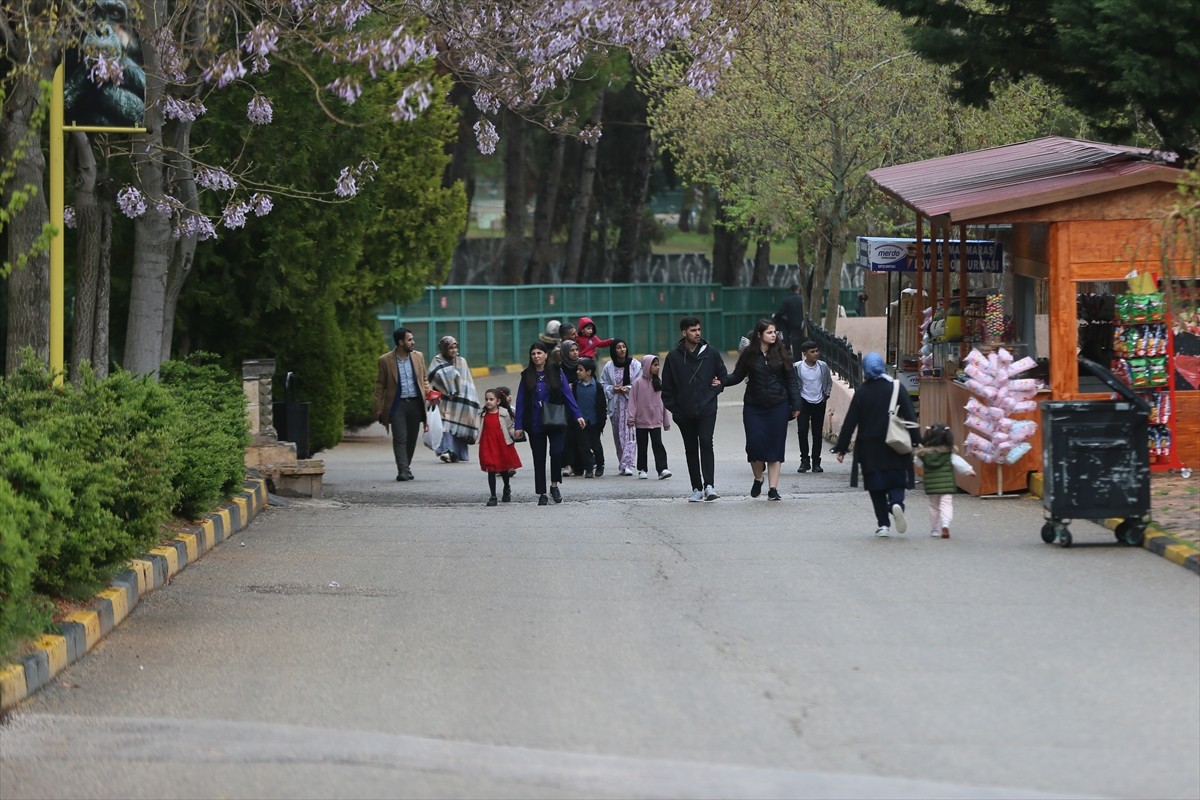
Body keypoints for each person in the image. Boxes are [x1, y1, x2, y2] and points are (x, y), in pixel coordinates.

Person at [832, 352, 920, 537]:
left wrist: (841, 448)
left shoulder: (863, 392)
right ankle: (896, 503)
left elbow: (850, 421)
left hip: (870, 448)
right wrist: (916, 441)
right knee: (897, 480)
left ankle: (883, 525)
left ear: (865, 371)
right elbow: (910, 417)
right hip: (895, 445)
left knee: (876, 487)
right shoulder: (896, 387)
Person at [722, 319, 802, 500]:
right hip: (754, 406)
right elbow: (737, 376)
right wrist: (721, 381)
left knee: (775, 447)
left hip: (778, 405)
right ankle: (758, 478)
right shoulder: (749, 354)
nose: (773, 335)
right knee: (754, 446)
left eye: (774, 332)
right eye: (769, 332)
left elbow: (791, 380)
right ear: (759, 335)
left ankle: (773, 489)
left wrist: (796, 404)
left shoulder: (783, 353)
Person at [661, 315, 727, 502]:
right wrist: (676, 411)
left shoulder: (711, 352)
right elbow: (667, 389)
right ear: (684, 333)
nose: (697, 333)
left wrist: (718, 387)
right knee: (690, 448)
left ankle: (709, 486)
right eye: (693, 330)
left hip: (707, 409)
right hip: (684, 413)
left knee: (706, 442)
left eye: (699, 329)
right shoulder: (674, 357)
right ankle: (696, 488)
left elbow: (723, 376)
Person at [513, 342, 585, 505]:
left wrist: (577, 415)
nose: (536, 356)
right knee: (539, 458)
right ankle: (542, 493)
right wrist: (518, 426)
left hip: (555, 419)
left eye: (539, 353)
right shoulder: (527, 375)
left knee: (557, 452)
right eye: (533, 354)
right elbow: (521, 401)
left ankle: (554, 485)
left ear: (546, 355)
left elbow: (567, 394)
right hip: (535, 422)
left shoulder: (556, 371)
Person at [373, 327, 430, 482]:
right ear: (400, 342)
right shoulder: (385, 360)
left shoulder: (418, 357)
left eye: (412, 339)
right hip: (396, 405)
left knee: (411, 439)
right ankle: (403, 471)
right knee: (400, 438)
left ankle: (406, 466)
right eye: (409, 339)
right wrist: (378, 408)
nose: (413, 342)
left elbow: (424, 379)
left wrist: (429, 392)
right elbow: (380, 385)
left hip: (415, 404)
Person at [915, 423, 976, 538]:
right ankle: (946, 525)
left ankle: (934, 529)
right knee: (946, 505)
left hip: (932, 486)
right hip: (947, 485)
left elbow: (917, 463)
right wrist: (969, 471)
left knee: (934, 507)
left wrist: (919, 451)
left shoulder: (924, 455)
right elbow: (960, 464)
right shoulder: (949, 454)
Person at [427, 335, 481, 463]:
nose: (454, 350)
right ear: (444, 348)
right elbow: (432, 376)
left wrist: (471, 399)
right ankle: (446, 451)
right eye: (450, 348)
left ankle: (458, 454)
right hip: (444, 400)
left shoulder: (462, 361)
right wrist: (448, 376)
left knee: (459, 426)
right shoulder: (437, 360)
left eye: (455, 347)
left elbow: (467, 382)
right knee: (445, 425)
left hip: (460, 401)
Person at [600, 338, 641, 477]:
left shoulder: (635, 364)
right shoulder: (608, 367)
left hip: (630, 403)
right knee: (618, 435)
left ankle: (628, 463)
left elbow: (639, 382)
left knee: (630, 433)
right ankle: (622, 463)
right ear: (613, 350)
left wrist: (628, 388)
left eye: (624, 346)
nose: (622, 349)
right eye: (618, 347)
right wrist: (613, 389)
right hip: (616, 405)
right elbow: (603, 384)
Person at [627, 354, 672, 480]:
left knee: (658, 444)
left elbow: (663, 404)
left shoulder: (659, 382)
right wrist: (631, 418)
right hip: (641, 421)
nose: (657, 367)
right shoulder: (637, 383)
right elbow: (632, 402)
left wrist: (665, 421)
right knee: (642, 445)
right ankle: (642, 469)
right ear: (647, 366)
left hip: (656, 421)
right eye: (654, 365)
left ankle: (662, 469)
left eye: (658, 365)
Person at [477, 388, 523, 506]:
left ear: (498, 401)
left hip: (502, 445)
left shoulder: (504, 413)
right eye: (486, 399)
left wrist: (516, 433)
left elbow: (510, 427)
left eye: (491, 399)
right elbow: (479, 429)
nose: (488, 402)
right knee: (490, 470)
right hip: (488, 445)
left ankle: (506, 487)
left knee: (503, 469)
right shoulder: (483, 414)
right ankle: (493, 496)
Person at [793, 340, 833, 473]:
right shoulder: (797, 367)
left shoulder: (823, 366)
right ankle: (805, 460)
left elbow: (828, 382)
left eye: (817, 351)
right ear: (805, 354)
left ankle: (816, 461)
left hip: (819, 402)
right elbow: (793, 383)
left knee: (817, 432)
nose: (816, 354)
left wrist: (825, 395)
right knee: (802, 430)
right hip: (803, 402)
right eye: (812, 352)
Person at [554, 339, 585, 476]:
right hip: (564, 407)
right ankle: (566, 464)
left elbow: (592, 381)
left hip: (581, 406)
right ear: (565, 352)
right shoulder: (559, 369)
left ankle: (580, 465)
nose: (575, 353)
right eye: (571, 350)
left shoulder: (583, 365)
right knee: (566, 436)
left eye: (576, 349)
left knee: (580, 435)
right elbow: (554, 387)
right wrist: (565, 388)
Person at [573, 357, 607, 478]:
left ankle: (600, 464)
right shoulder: (576, 386)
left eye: (580, 370)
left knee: (596, 445)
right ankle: (588, 468)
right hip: (580, 422)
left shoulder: (597, 386)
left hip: (594, 422)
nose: (578, 372)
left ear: (589, 372)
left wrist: (601, 422)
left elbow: (602, 406)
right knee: (584, 446)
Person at [775, 284, 808, 351]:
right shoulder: (802, 299)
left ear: (790, 290)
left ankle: (795, 352)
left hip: (791, 322)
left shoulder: (787, 300)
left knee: (794, 339)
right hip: (802, 322)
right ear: (798, 289)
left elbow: (782, 312)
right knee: (802, 337)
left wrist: (775, 316)